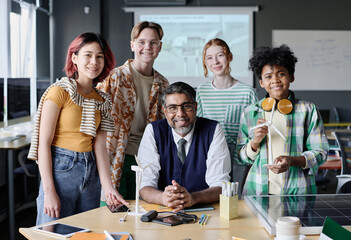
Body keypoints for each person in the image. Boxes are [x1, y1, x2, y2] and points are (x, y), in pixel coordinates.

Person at [28, 32, 127, 225]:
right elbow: (43, 144)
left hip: (91, 174)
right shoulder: (59, 91)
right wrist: (49, 192)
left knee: (83, 232)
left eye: (99, 56)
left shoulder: (102, 100)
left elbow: (99, 146)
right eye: (88, 55)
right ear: (74, 58)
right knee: (51, 233)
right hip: (61, 170)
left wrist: (108, 188)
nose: (94, 61)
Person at [235, 44, 329, 196]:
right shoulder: (250, 112)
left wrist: (292, 161)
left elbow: (320, 153)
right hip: (258, 190)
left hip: (297, 191)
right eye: (268, 76)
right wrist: (255, 142)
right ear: (261, 82)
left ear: (291, 76)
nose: (275, 80)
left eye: (281, 74)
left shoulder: (308, 110)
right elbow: (240, 158)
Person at [97, 21, 169, 201]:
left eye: (153, 43)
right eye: (142, 42)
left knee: (145, 215)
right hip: (114, 158)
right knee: (113, 213)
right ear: (132, 45)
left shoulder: (163, 84)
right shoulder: (114, 78)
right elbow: (95, 120)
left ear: (159, 47)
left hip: (148, 161)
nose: (147, 47)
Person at [138, 82, 231, 211]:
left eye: (186, 106)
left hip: (205, 212)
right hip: (164, 212)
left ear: (195, 107)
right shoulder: (153, 131)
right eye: (172, 108)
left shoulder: (213, 129)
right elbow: (144, 185)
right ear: (164, 111)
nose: (180, 114)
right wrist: (164, 198)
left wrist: (193, 198)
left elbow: (221, 185)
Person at [196, 38, 258, 188]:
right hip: (211, 154)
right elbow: (197, 127)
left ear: (229, 57)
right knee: (213, 195)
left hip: (239, 156)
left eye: (220, 55)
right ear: (205, 62)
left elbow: (254, 130)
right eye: (209, 58)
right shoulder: (201, 91)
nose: (215, 61)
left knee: (237, 198)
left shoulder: (247, 92)